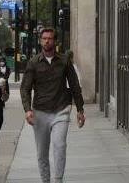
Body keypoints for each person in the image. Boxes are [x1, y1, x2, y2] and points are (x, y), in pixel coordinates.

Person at [20, 28, 85, 183]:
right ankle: (45, 180)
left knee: (60, 145)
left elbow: (75, 85)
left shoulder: (64, 61)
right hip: (40, 112)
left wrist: (80, 109)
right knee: (42, 152)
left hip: (61, 110)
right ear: (40, 41)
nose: (47, 41)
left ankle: (58, 179)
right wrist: (28, 110)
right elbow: (25, 88)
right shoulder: (34, 62)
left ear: (55, 41)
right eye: (44, 38)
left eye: (50, 38)